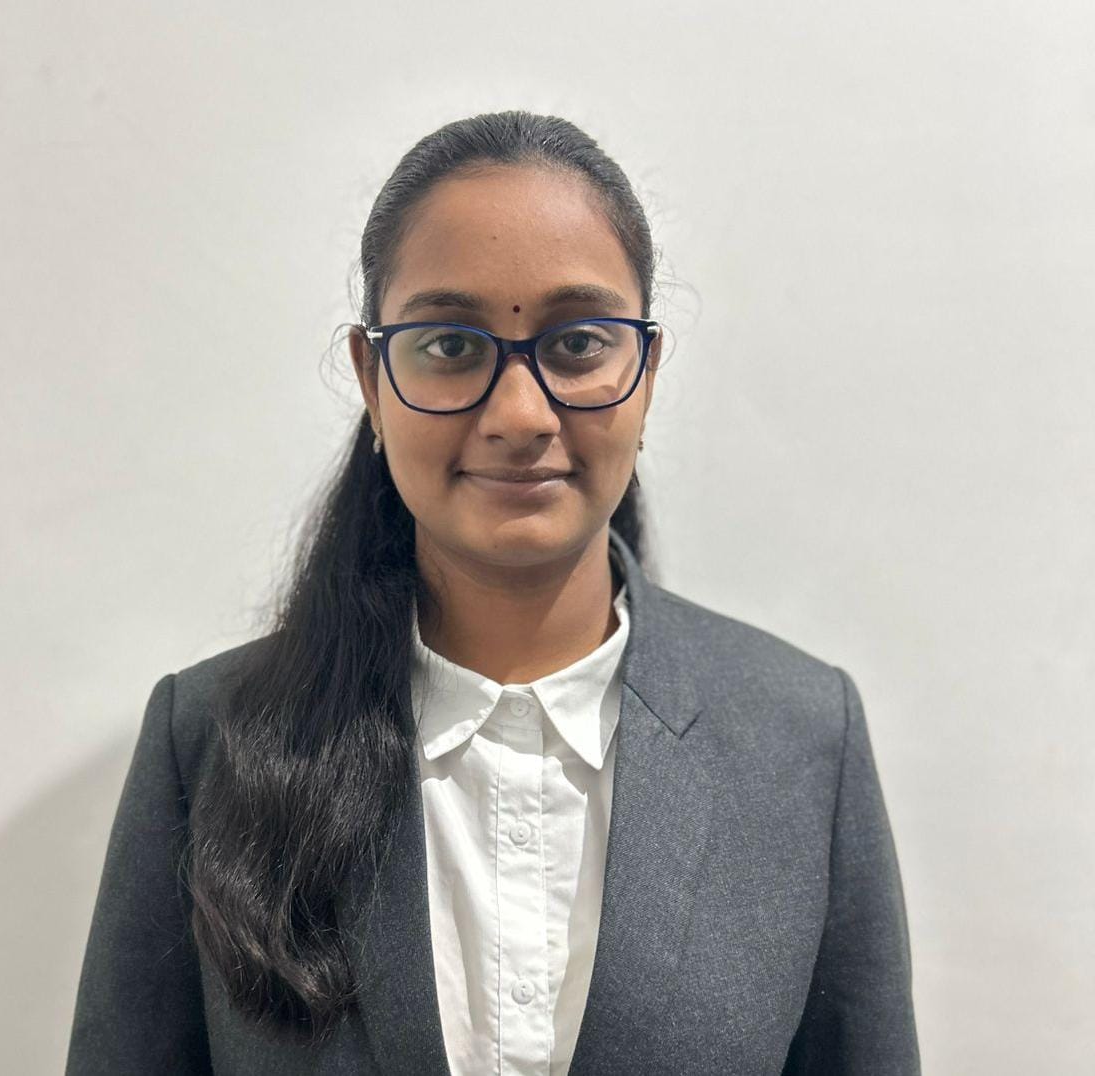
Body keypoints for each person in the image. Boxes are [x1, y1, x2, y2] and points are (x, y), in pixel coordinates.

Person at [65, 110, 920, 1076]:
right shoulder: (210, 741)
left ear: (646, 370)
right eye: (449, 345)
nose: (520, 414)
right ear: (372, 379)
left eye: (579, 342)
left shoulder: (801, 739)